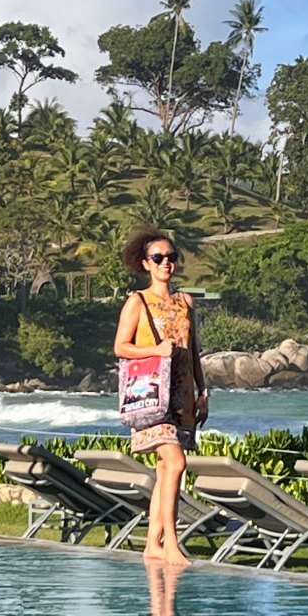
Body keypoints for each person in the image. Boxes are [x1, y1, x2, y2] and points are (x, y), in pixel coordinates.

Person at [113, 229, 207, 566]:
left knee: (168, 468)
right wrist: (155, 349)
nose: (166, 263)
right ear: (145, 264)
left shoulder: (185, 302)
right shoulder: (137, 302)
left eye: (171, 257)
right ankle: (171, 543)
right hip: (152, 396)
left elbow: (194, 351)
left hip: (182, 397)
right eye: (158, 258)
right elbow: (120, 347)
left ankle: (152, 543)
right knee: (177, 463)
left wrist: (204, 390)